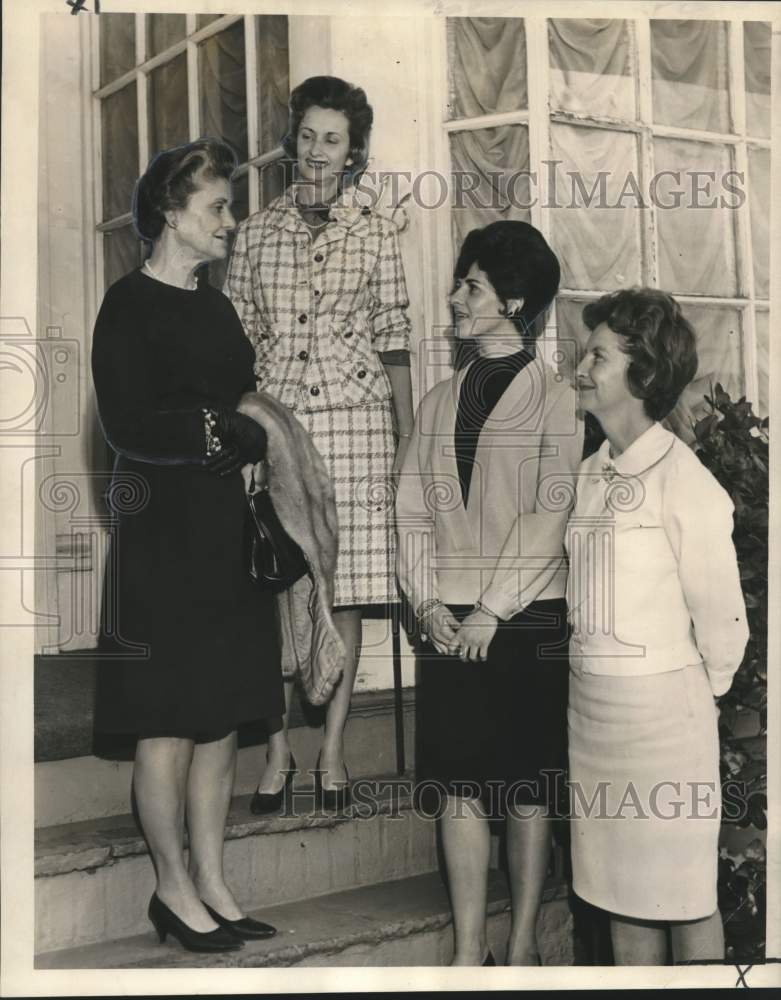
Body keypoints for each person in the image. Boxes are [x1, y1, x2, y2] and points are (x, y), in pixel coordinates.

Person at [92, 139, 284, 953]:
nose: (231, 223)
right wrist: (224, 430)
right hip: (163, 531)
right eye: (217, 207)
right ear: (172, 212)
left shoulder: (218, 306)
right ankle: (169, 887)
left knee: (223, 715)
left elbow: (243, 403)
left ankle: (211, 879)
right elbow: (128, 425)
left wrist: (239, 430)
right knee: (169, 717)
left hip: (224, 526)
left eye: (230, 208)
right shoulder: (127, 305)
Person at [396, 221, 583, 966]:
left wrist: (490, 610)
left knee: (527, 786)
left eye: (469, 286)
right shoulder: (438, 399)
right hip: (449, 621)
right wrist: (428, 604)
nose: (453, 297)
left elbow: (550, 513)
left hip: (528, 615)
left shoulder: (559, 399)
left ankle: (523, 936)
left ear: (513, 299)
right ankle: (469, 950)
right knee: (460, 785)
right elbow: (410, 508)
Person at [226, 76, 414, 812]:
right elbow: (236, 339)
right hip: (274, 424)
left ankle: (332, 752)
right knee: (278, 582)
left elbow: (395, 335)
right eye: (305, 135)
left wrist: (404, 438)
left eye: (330, 139)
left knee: (347, 590)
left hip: (358, 425)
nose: (314, 151)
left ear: (352, 153)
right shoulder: (252, 233)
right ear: (289, 141)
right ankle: (276, 753)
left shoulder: (374, 232)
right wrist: (242, 430)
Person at [566, 288, 749, 965]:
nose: (580, 368)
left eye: (597, 356)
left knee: (682, 898)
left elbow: (721, 621)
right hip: (592, 718)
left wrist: (688, 700)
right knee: (618, 896)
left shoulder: (685, 481)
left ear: (641, 375)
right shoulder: (590, 473)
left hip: (663, 726)